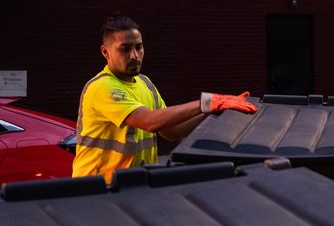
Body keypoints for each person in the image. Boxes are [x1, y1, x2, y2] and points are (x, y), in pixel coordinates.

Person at [73, 14, 257, 182]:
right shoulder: (102, 87)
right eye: (125, 49)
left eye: (139, 47)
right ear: (105, 52)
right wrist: (208, 102)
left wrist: (212, 110)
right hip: (95, 189)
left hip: (132, 184)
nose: (134, 55)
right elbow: (150, 122)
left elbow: (169, 131)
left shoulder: (145, 83)